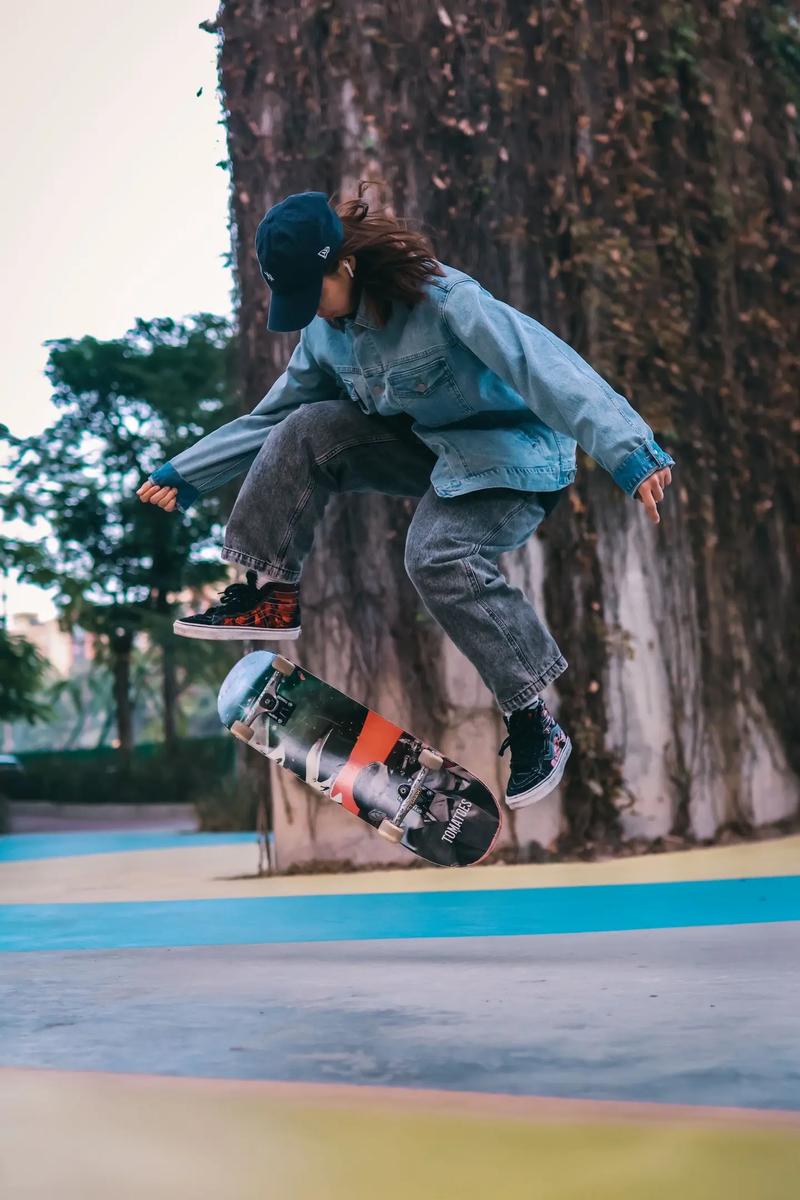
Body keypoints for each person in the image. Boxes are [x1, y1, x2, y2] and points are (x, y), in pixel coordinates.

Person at [137, 184, 674, 810]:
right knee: (304, 426)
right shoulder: (324, 335)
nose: (315, 315)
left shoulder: (445, 301)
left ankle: (534, 719)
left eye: (315, 295)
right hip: (432, 452)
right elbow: (270, 419)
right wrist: (186, 473)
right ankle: (271, 595)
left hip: (515, 459)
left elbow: (545, 365)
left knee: (435, 554)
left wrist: (631, 453)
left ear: (344, 264)